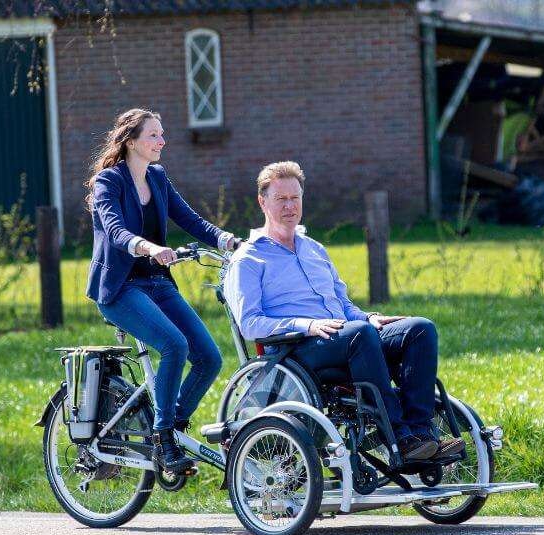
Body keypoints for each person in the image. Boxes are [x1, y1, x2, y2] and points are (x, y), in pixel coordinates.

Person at [223, 161, 462, 461]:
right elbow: (250, 324)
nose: (289, 206)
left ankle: (421, 433)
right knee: (359, 335)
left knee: (419, 329)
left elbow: (343, 305)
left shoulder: (314, 249)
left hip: (345, 335)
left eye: (294, 198)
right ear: (262, 201)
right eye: (280, 199)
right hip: (297, 350)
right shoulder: (248, 259)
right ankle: (399, 438)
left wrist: (369, 317)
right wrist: (306, 325)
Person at [86, 108, 237, 474]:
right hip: (120, 289)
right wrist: (148, 247)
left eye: (162, 134)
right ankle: (163, 438)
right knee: (175, 345)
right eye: (153, 135)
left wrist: (226, 239)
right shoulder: (109, 182)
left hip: (156, 283)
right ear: (131, 141)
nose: (161, 141)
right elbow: (115, 230)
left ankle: (169, 429)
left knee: (209, 357)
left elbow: (186, 217)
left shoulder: (156, 176)